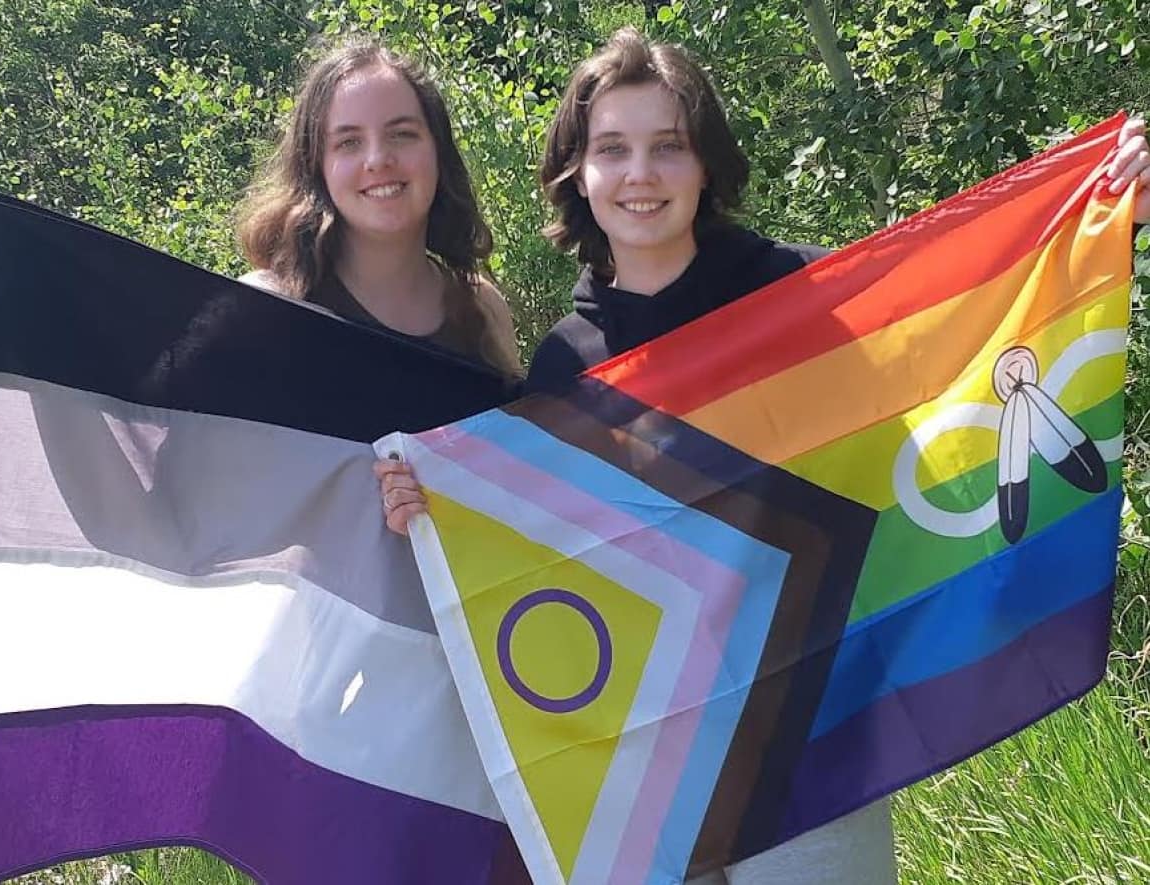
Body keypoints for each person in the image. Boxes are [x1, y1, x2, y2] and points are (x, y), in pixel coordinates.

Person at [374, 25, 1150, 884]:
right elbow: (543, 556)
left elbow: (947, 362)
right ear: (579, 175)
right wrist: (433, 506)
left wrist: (1099, 209)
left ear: (705, 164)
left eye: (668, 146)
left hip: (814, 747)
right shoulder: (566, 364)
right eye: (613, 149)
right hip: (662, 777)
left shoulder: (809, 304)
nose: (641, 174)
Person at [235, 37, 521, 379]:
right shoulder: (267, 308)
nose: (377, 160)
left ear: (438, 152)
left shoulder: (483, 309)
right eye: (349, 142)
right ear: (315, 166)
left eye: (401, 134)